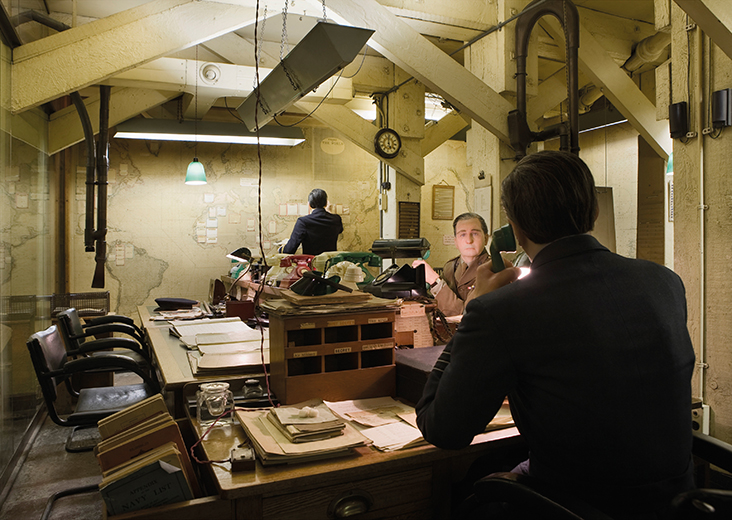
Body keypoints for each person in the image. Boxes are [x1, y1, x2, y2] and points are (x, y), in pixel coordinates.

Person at [416, 150, 695, 518]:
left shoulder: (501, 308)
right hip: (674, 501)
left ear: (514, 228)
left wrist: (473, 312)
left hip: (576, 504)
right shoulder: (665, 281)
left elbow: (442, 429)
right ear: (593, 213)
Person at [412, 212, 491, 316]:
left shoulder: (493, 269)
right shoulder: (451, 267)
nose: (469, 240)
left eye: (475, 233)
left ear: (486, 239)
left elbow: (467, 314)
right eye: (462, 234)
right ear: (456, 242)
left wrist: (435, 281)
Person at [282, 188, 343, 256]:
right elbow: (340, 230)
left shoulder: (303, 222)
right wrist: (329, 212)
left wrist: (281, 249)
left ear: (309, 205)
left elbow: (290, 250)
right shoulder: (336, 219)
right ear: (326, 203)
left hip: (311, 264)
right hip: (330, 264)